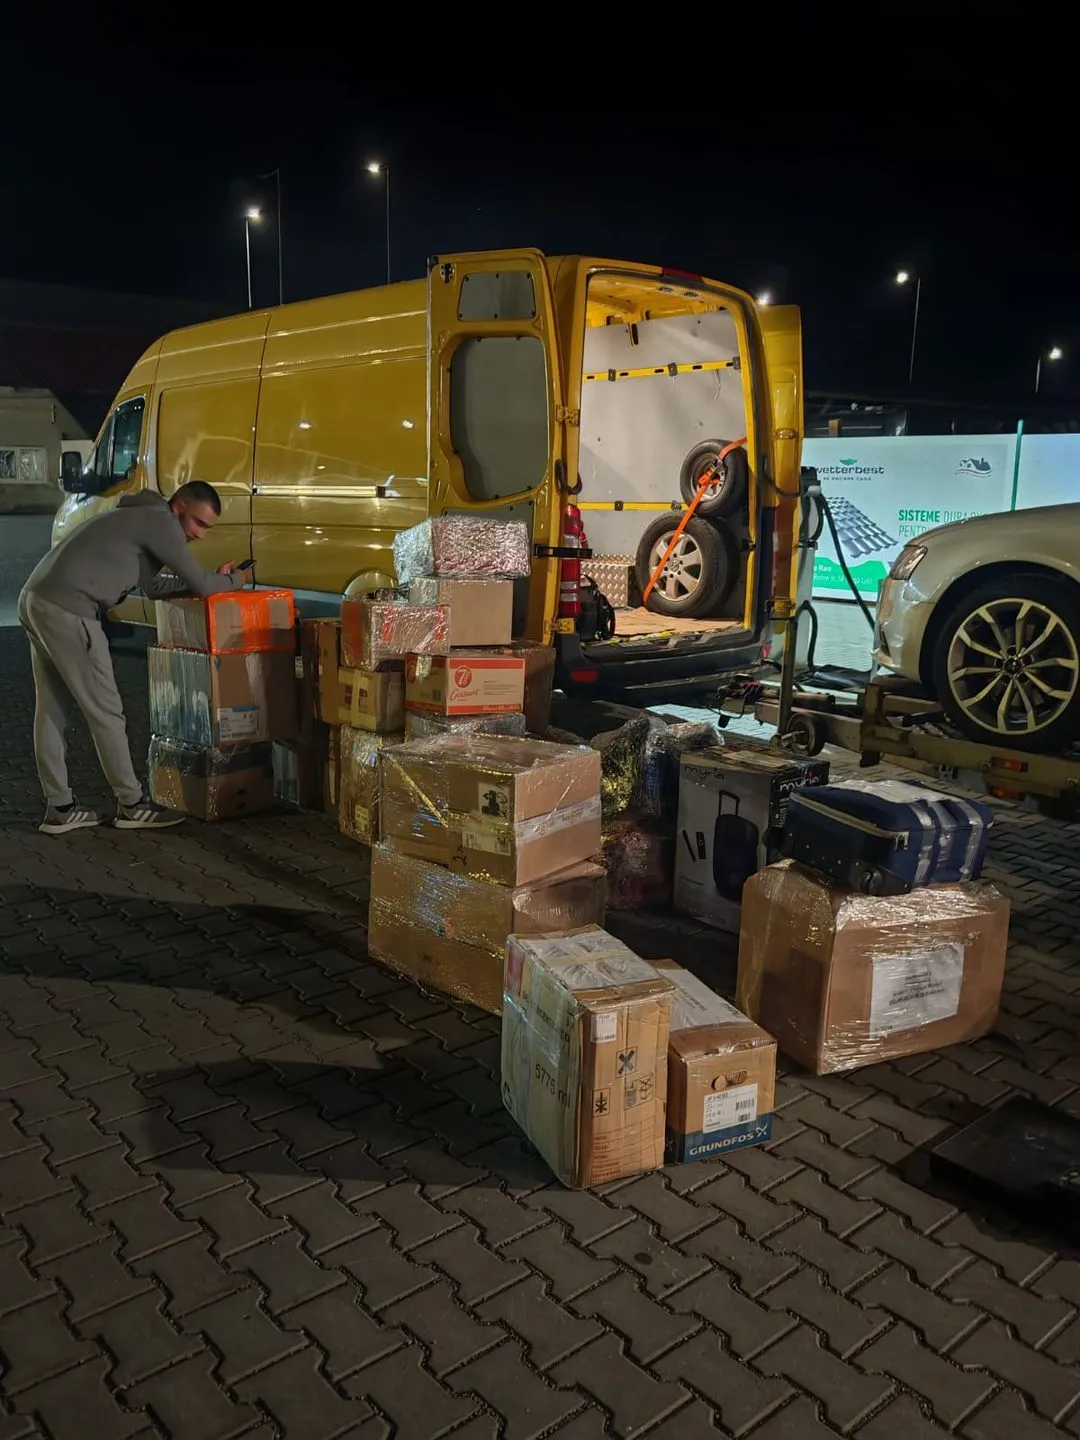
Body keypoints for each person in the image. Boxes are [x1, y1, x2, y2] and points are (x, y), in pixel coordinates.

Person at [18, 480, 248, 835]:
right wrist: (235, 581)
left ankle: (60, 808)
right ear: (179, 508)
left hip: (37, 598)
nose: (200, 535)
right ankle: (131, 804)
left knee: (52, 708)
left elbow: (154, 587)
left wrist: (212, 581)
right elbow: (202, 585)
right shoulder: (160, 523)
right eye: (198, 524)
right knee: (107, 712)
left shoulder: (138, 516)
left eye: (207, 528)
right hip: (71, 608)